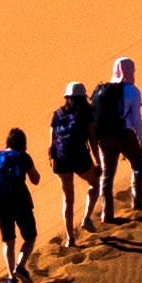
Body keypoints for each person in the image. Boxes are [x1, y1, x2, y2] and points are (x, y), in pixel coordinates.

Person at [0, 126, 42, 283]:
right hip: (20, 201)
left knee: (8, 242)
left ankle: (11, 279)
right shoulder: (23, 156)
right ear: (23, 142)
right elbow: (35, 179)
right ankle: (20, 266)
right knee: (30, 237)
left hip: (0, 203)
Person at [45, 78, 101, 242]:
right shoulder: (86, 114)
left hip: (60, 160)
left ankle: (70, 238)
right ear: (83, 97)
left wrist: (53, 161)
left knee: (68, 200)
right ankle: (87, 218)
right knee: (95, 184)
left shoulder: (57, 114)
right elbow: (92, 140)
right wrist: (98, 162)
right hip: (80, 157)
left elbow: (51, 144)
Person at [99, 54, 142, 216]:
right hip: (125, 134)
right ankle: (138, 204)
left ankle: (106, 214)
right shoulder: (132, 90)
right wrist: (141, 140)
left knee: (107, 176)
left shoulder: (102, 91)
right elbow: (136, 118)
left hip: (105, 137)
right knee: (138, 166)